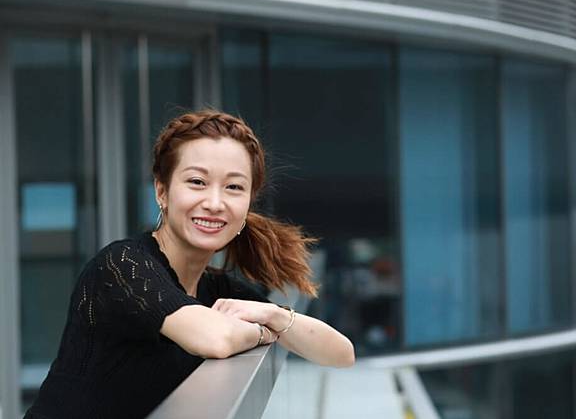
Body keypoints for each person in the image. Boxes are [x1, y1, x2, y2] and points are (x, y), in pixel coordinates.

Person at [25, 109, 355, 419]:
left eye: (234, 187)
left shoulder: (215, 288)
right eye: (197, 182)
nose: (214, 203)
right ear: (162, 191)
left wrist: (275, 316)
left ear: (248, 203)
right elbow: (216, 339)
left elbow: (341, 354)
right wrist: (262, 332)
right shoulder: (122, 266)